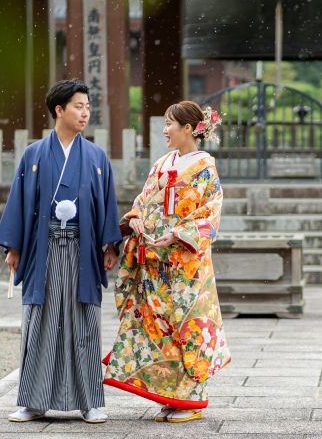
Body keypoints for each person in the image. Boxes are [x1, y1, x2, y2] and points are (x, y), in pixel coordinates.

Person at [0, 79, 122, 424]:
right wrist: (14, 246)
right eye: (78, 106)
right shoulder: (34, 154)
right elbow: (20, 203)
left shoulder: (95, 156)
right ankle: (32, 401)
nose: (85, 112)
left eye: (88, 107)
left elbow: (106, 202)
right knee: (39, 323)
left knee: (84, 322)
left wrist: (110, 244)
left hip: (82, 250)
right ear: (59, 110)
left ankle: (91, 401)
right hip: (43, 248)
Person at [103, 100, 230, 423]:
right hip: (155, 261)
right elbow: (143, 200)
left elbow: (210, 212)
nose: (165, 130)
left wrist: (177, 235)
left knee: (186, 326)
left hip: (186, 263)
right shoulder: (162, 162)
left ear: (188, 128)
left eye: (170, 124)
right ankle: (170, 394)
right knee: (158, 325)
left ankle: (192, 399)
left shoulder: (205, 166)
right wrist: (134, 219)